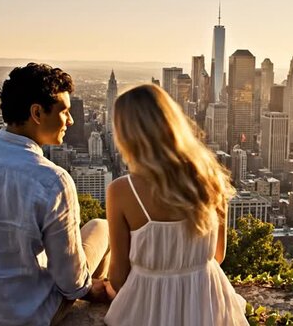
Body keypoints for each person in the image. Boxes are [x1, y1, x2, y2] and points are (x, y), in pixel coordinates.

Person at [0, 63, 111, 326]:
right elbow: (71, 283)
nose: (71, 120)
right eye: (64, 111)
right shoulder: (52, 180)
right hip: (22, 317)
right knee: (101, 226)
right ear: (37, 113)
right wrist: (88, 289)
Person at [103, 85, 249, 325]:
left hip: (147, 310)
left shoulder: (122, 190)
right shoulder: (211, 175)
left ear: (125, 134)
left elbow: (119, 278)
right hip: (207, 307)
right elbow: (218, 255)